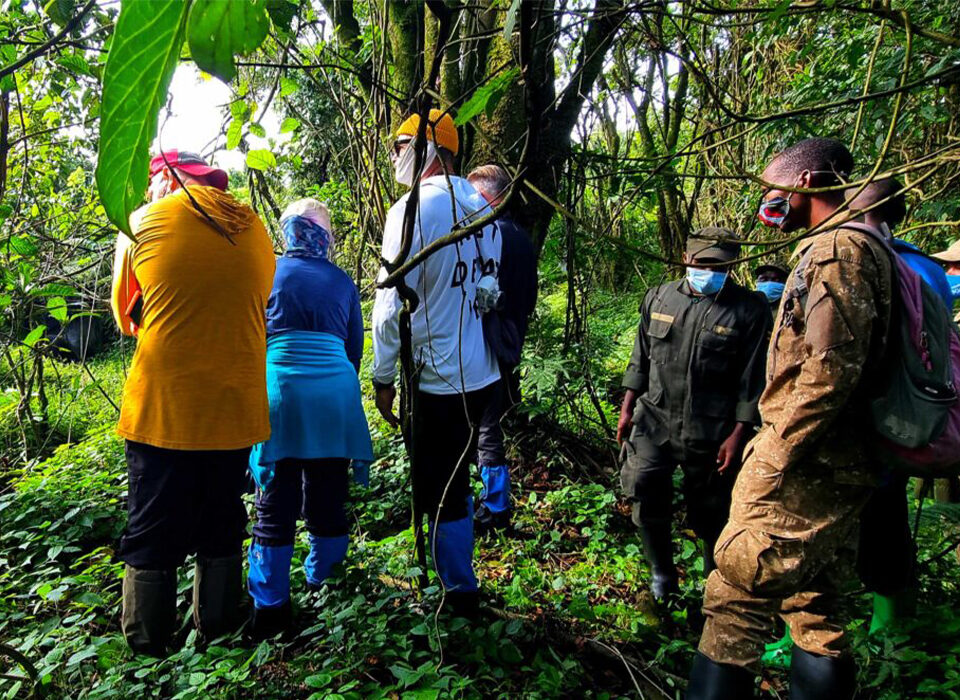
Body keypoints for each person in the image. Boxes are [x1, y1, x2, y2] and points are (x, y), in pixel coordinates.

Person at [688, 138, 893, 699]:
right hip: (839, 462)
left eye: (772, 190)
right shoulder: (867, 244)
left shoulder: (837, 252)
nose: (767, 204)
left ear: (803, 185)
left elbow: (829, 371)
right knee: (817, 607)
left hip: (804, 463)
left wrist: (773, 453)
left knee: (735, 593)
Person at [110, 150, 275, 656]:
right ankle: (218, 632)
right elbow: (259, 302)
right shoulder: (256, 228)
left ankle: (147, 648)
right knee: (223, 521)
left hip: (164, 407)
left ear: (167, 178)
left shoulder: (140, 224)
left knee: (152, 529)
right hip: (235, 407)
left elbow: (125, 316)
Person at [372, 109, 500, 617]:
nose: (396, 155)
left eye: (402, 145)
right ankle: (453, 576)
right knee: (458, 477)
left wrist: (383, 378)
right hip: (481, 373)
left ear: (428, 149)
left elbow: (388, 308)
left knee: (440, 486)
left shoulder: (410, 210)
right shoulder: (483, 205)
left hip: (436, 378)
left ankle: (457, 593)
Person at [616, 227, 771, 602]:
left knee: (713, 510)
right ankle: (662, 577)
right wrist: (627, 408)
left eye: (720, 266)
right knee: (645, 488)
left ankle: (713, 585)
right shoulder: (659, 298)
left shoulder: (748, 310)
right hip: (654, 420)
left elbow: (753, 379)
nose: (710, 271)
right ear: (687, 259)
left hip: (713, 429)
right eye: (702, 264)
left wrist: (739, 433)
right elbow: (641, 359)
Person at [245, 198, 373, 640]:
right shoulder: (342, 281)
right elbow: (354, 349)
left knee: (275, 501)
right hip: (335, 395)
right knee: (328, 494)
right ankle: (327, 587)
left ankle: (271, 609)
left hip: (282, 393)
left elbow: (252, 338)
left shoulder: (267, 273)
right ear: (324, 236)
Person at [466, 164, 538, 534]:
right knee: (487, 426)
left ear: (491, 197)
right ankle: (492, 503)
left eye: (474, 197)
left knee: (483, 428)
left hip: (487, 345)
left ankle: (494, 508)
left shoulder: (493, 235)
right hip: (509, 342)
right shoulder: (521, 236)